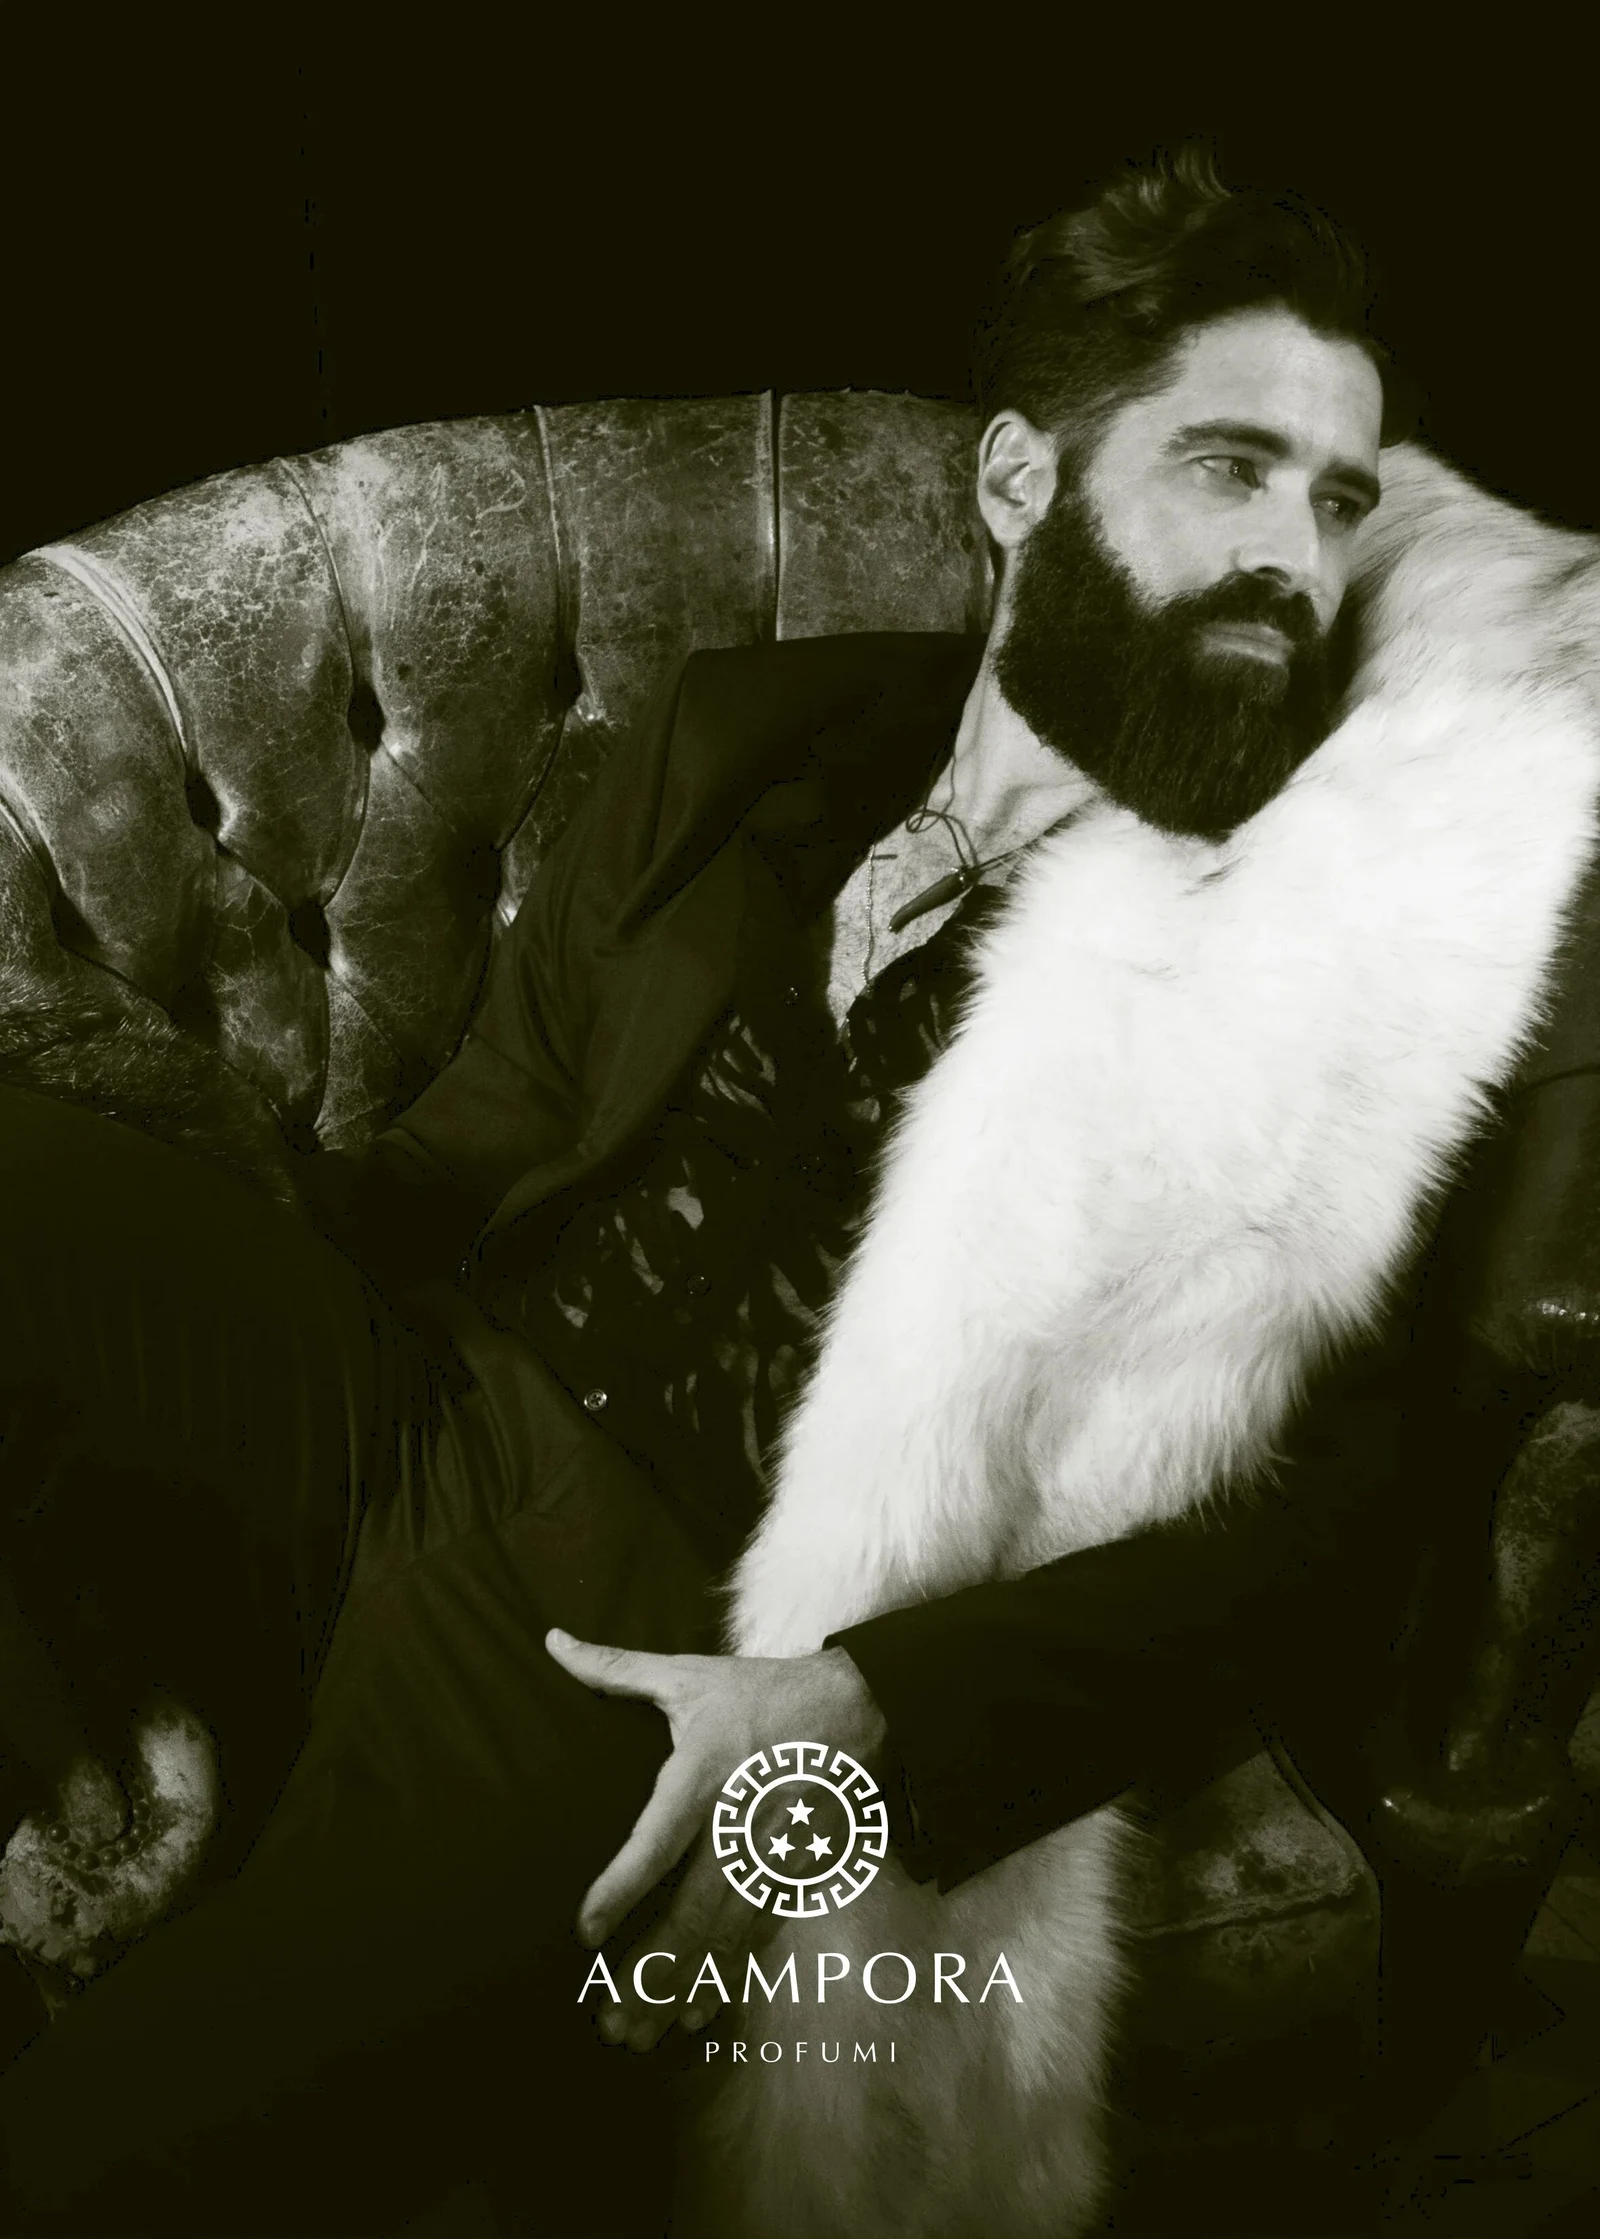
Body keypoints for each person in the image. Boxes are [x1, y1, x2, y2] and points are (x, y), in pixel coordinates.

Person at [0, 144, 1594, 2235]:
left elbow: (1303, 1529)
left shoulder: (1295, 971)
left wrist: (860, 1709)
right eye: (1229, 469)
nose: (1293, 556)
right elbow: (471, 1146)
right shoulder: (748, 736)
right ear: (1019, 480)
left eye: (1338, 502)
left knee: (97, 2156)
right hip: (420, 1395)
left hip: (665, 1643)